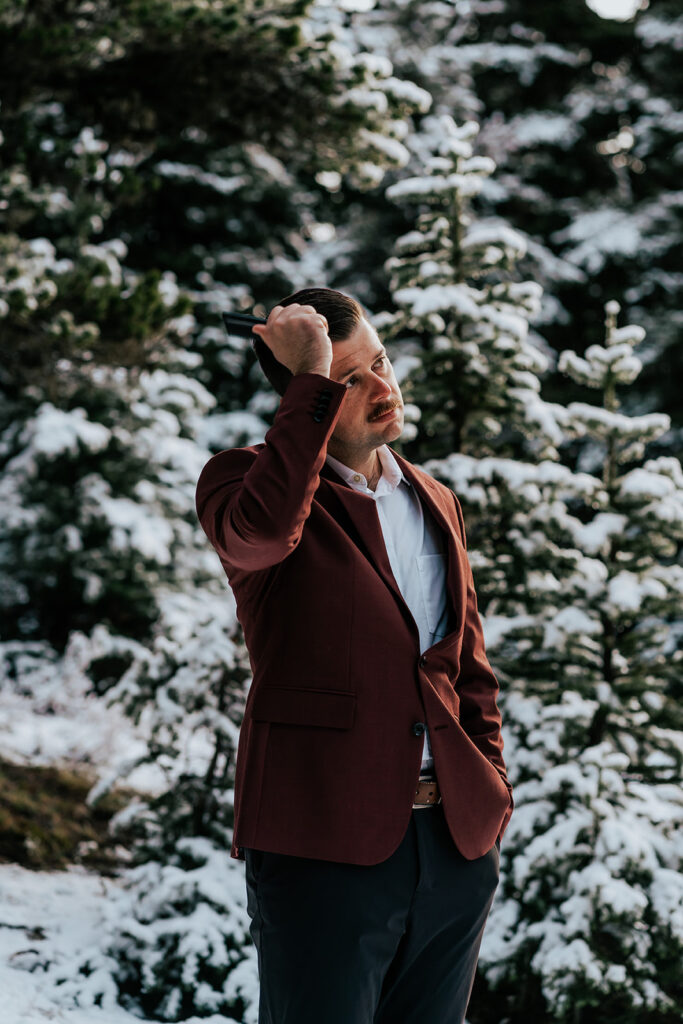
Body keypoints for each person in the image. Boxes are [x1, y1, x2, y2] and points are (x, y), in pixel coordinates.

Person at [195, 287, 514, 1024]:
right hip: (322, 848)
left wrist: (488, 790)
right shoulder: (240, 483)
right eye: (348, 380)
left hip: (452, 850)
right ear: (305, 394)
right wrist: (308, 377)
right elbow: (263, 536)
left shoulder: (433, 499)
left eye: (379, 362)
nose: (382, 388)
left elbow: (465, 667)